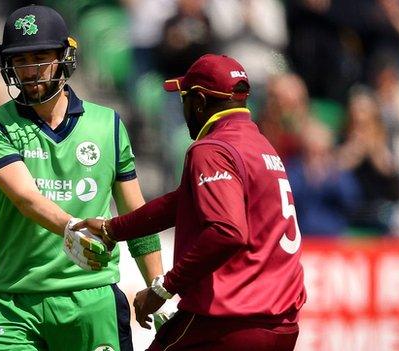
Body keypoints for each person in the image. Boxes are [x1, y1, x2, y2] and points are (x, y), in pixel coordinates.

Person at [75, 54, 306, 351]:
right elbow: (182, 203)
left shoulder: (212, 149)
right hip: (280, 326)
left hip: (227, 324)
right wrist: (112, 229)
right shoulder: (260, 145)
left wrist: (164, 288)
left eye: (183, 99)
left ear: (198, 102)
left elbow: (227, 232)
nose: (182, 109)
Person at [0, 5, 162, 351]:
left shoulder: (109, 125)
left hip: (92, 300)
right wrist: (75, 229)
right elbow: (26, 198)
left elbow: (136, 211)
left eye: (41, 57)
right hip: (16, 303)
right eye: (20, 60)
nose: (30, 70)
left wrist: (158, 286)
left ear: (65, 57)